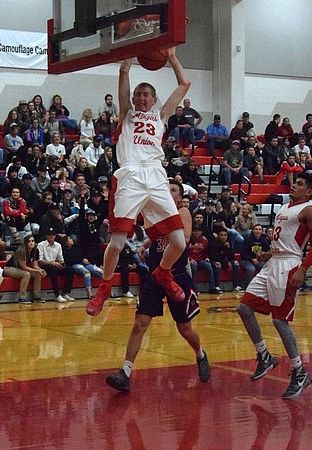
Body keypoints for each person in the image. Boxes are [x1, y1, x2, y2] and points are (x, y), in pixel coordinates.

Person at [86, 47, 191, 317]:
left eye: (146, 95)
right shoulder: (127, 116)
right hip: (131, 175)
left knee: (178, 242)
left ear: (155, 99)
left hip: (156, 175)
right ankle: (105, 287)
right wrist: (133, 49)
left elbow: (185, 84)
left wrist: (170, 56)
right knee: (117, 242)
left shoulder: (161, 116)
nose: (141, 98)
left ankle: (163, 273)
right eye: (138, 95)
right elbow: (124, 71)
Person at [106, 179, 210, 392]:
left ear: (179, 197)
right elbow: (156, 239)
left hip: (177, 275)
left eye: (173, 190)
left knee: (184, 328)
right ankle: (125, 372)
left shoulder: (182, 213)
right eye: (166, 189)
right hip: (155, 276)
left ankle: (200, 354)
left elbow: (185, 238)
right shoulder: (155, 213)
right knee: (140, 323)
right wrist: (145, 244)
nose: (169, 192)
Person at [237, 173, 312, 399]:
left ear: (309, 192)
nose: (294, 185)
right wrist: (269, 251)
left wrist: (303, 269)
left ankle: (299, 371)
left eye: (300, 184)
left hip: (289, 266)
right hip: (273, 262)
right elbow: (283, 239)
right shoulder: (285, 207)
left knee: (279, 320)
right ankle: (264, 355)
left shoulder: (309, 210)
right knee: (244, 308)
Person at [3, 234, 46, 304]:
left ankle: (36, 297)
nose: (31, 243)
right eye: (29, 241)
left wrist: (40, 270)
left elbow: (35, 265)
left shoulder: (35, 250)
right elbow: (24, 267)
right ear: (26, 243)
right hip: (9, 268)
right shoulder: (21, 250)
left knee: (38, 274)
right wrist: (37, 270)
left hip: (20, 269)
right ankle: (21, 298)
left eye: (33, 241)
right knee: (26, 274)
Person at [37, 227, 75, 302]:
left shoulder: (58, 245)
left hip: (55, 264)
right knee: (53, 270)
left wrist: (61, 264)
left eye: (53, 234)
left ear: (55, 236)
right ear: (46, 235)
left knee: (70, 270)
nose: (51, 236)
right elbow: (40, 261)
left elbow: (61, 259)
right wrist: (52, 263)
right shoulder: (41, 245)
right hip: (44, 266)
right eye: (49, 234)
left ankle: (65, 293)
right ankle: (56, 294)